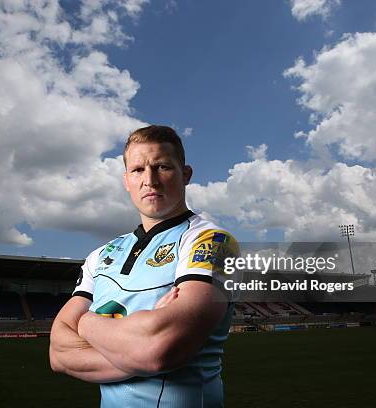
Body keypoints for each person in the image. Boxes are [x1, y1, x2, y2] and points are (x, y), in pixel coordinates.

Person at [50, 125, 238, 407]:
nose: (150, 180)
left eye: (162, 166)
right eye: (138, 170)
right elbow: (58, 354)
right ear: (127, 180)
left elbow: (159, 350)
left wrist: (87, 323)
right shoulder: (100, 255)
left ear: (185, 174)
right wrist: (138, 349)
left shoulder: (214, 242)